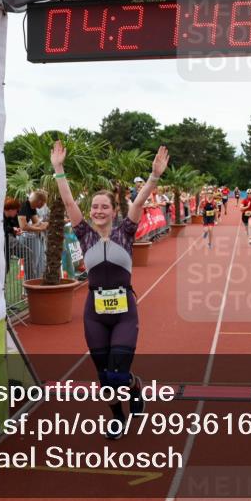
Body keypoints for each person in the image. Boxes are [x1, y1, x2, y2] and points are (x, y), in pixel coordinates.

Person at [52, 140, 168, 439]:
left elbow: (140, 202)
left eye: (105, 206)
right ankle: (117, 415)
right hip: (95, 312)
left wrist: (154, 176)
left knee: (117, 373)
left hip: (124, 312)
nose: (99, 210)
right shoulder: (84, 234)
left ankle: (133, 385)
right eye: (95, 207)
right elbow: (68, 203)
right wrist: (58, 169)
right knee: (104, 377)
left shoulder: (125, 232)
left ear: (115, 210)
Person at [18, 190, 50, 281]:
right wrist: (40, 228)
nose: (44, 205)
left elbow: (37, 223)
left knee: (39, 261)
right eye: (44, 203)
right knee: (32, 262)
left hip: (30, 236)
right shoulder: (24, 206)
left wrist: (45, 224)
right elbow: (23, 226)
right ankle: (28, 286)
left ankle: (38, 281)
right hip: (23, 237)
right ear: (40, 201)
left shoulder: (32, 208)